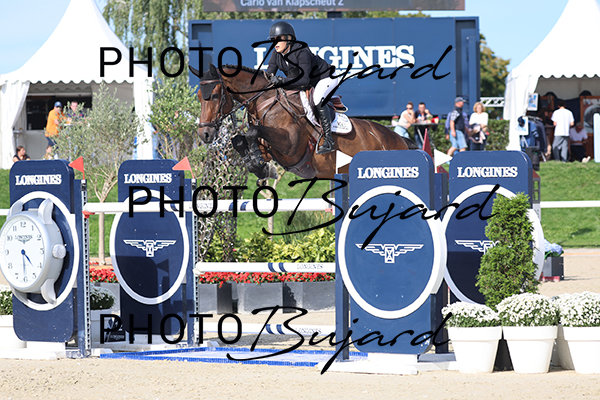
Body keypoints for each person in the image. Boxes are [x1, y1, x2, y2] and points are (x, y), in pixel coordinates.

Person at [266, 21, 338, 154]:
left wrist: (281, 80)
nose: (275, 43)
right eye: (273, 40)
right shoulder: (276, 54)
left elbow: (304, 80)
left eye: (278, 39)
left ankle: (329, 140)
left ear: (289, 39)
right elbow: (268, 75)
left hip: (325, 77)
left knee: (317, 98)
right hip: (307, 82)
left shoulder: (301, 51)